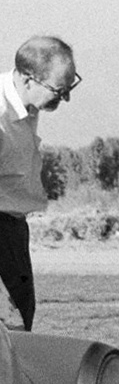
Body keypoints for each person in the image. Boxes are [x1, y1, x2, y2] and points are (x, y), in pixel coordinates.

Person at [0, 37, 81, 329]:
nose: (65, 99)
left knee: (21, 323)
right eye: (59, 91)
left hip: (13, 231)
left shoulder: (26, 104)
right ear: (26, 78)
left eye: (70, 88)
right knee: (12, 330)